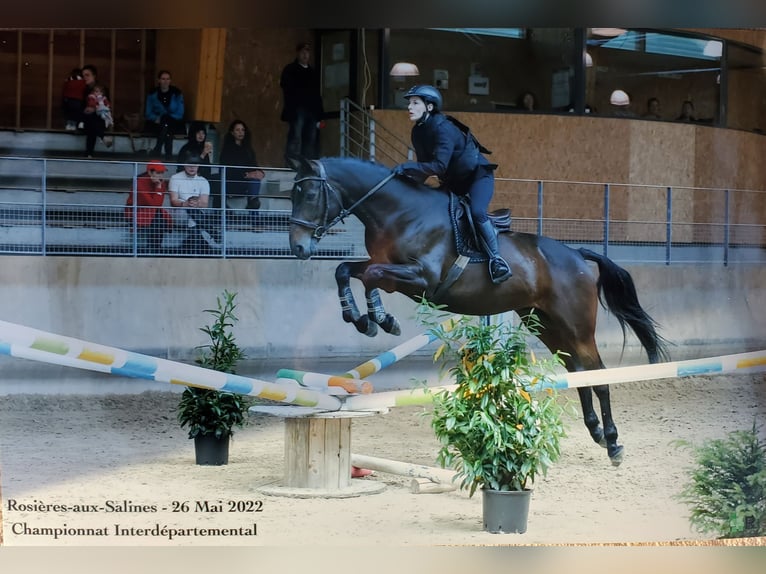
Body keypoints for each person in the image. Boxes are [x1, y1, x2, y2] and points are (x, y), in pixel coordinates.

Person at [392, 85, 512, 284]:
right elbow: (424, 167)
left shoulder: (443, 128)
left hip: (477, 178)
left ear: (429, 107)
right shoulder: (418, 132)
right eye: (409, 103)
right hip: (454, 183)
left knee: (477, 212)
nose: (409, 107)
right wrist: (411, 190)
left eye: (415, 103)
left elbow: (438, 166)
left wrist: (406, 168)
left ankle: (497, 260)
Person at [280, 42, 323, 163]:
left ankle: (307, 163)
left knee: (310, 137)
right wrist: (291, 108)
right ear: (298, 53)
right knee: (296, 136)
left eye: (307, 52)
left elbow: (317, 94)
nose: (305, 55)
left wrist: (320, 114)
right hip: (297, 109)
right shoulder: (290, 69)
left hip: (312, 110)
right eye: (303, 52)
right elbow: (286, 89)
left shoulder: (312, 72)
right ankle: (293, 161)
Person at [168, 152, 220, 254]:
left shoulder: (203, 181)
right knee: (191, 212)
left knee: (193, 216)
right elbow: (173, 201)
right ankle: (211, 230)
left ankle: (196, 246)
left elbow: (204, 203)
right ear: (184, 165)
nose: (192, 167)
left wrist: (196, 204)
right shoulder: (175, 178)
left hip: (197, 213)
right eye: (189, 164)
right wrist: (185, 204)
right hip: (180, 211)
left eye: (195, 165)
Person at [124, 160, 171, 253]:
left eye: (162, 173)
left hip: (152, 212)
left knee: (159, 216)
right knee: (158, 216)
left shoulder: (161, 183)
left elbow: (158, 204)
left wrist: (158, 186)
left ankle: (155, 248)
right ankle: (155, 249)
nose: (161, 176)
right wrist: (158, 187)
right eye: (158, 173)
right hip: (136, 211)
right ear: (150, 172)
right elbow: (153, 204)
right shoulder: (139, 182)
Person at [219, 119, 264, 211]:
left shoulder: (248, 149)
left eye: (243, 130)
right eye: (237, 130)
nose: (241, 132)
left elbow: (254, 165)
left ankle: (253, 206)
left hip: (246, 183)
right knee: (254, 184)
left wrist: (260, 173)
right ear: (232, 132)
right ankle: (254, 217)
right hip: (231, 183)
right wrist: (246, 175)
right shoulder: (227, 150)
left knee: (255, 182)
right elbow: (227, 171)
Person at [145, 70, 186, 160]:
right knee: (166, 128)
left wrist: (167, 117)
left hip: (174, 122)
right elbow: (148, 113)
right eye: (163, 79)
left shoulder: (177, 93)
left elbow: (180, 113)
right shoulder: (152, 94)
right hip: (157, 123)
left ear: (170, 80)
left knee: (166, 123)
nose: (165, 81)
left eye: (167, 79)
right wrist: (156, 118)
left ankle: (158, 149)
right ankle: (168, 155)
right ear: (159, 80)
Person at [80, 64, 112, 157]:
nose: (85, 78)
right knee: (90, 118)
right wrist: (86, 109)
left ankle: (89, 153)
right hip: (85, 118)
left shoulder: (102, 89)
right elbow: (81, 106)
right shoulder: (84, 89)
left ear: (94, 76)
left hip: (99, 116)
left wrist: (95, 109)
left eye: (87, 75)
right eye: (83, 76)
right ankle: (103, 137)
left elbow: (106, 105)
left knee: (92, 121)